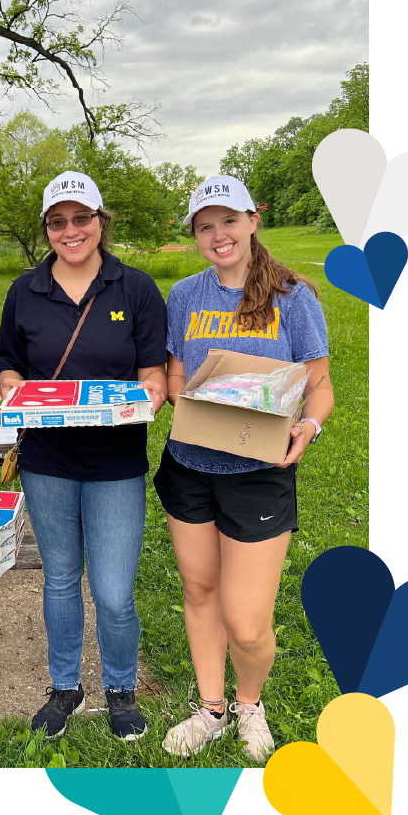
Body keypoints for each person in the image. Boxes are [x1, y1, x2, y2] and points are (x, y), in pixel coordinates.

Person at [156, 175, 334, 762]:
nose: (218, 234)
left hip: (258, 472)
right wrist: (193, 402)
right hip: (191, 463)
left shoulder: (293, 297)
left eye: (228, 220)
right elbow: (176, 373)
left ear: (253, 220)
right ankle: (210, 707)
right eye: (205, 226)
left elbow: (320, 385)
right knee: (200, 590)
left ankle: (249, 703)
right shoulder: (184, 295)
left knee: (249, 622)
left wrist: (307, 426)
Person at [0, 171, 168, 742]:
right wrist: (13, 390)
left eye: (82, 218)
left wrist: (147, 398)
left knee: (114, 591)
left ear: (100, 221)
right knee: (62, 580)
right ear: (47, 228)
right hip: (47, 460)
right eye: (58, 221)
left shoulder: (135, 289)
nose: (71, 231)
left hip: (116, 462)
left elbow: (153, 377)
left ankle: (120, 687)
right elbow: (7, 363)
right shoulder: (25, 290)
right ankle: (65, 686)